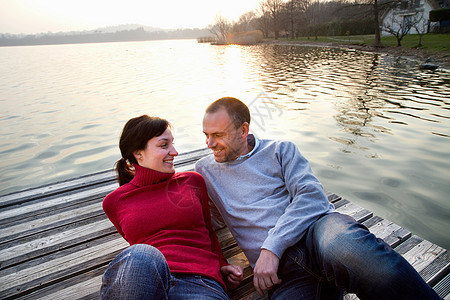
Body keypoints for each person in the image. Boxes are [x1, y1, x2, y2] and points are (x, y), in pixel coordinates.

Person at [195, 97, 441, 300]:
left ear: (243, 130)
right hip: (283, 276)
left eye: (217, 135)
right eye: (206, 135)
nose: (209, 143)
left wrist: (271, 247)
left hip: (318, 234)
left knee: (358, 255)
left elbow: (312, 197)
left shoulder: (280, 150)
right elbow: (203, 221)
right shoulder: (205, 170)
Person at [100, 115, 243, 300]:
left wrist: (222, 264)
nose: (174, 152)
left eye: (172, 144)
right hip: (144, 281)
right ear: (138, 153)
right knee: (140, 252)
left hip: (198, 282)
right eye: (164, 145)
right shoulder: (114, 202)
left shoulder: (192, 181)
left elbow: (208, 231)